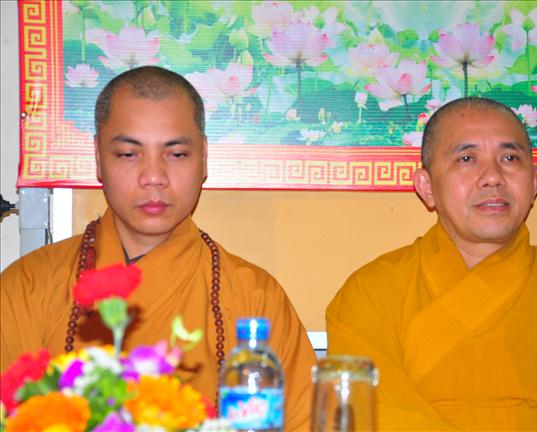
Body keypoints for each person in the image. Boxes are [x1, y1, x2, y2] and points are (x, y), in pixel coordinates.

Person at [1, 66, 316, 430]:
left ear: (204, 158)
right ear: (98, 157)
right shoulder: (28, 287)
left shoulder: (254, 298)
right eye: (128, 154)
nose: (153, 177)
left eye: (176, 154)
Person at [326, 97, 537, 430]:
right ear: (426, 187)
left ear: (535, 182)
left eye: (509, 158)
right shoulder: (370, 293)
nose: (493, 177)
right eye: (466, 158)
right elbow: (377, 413)